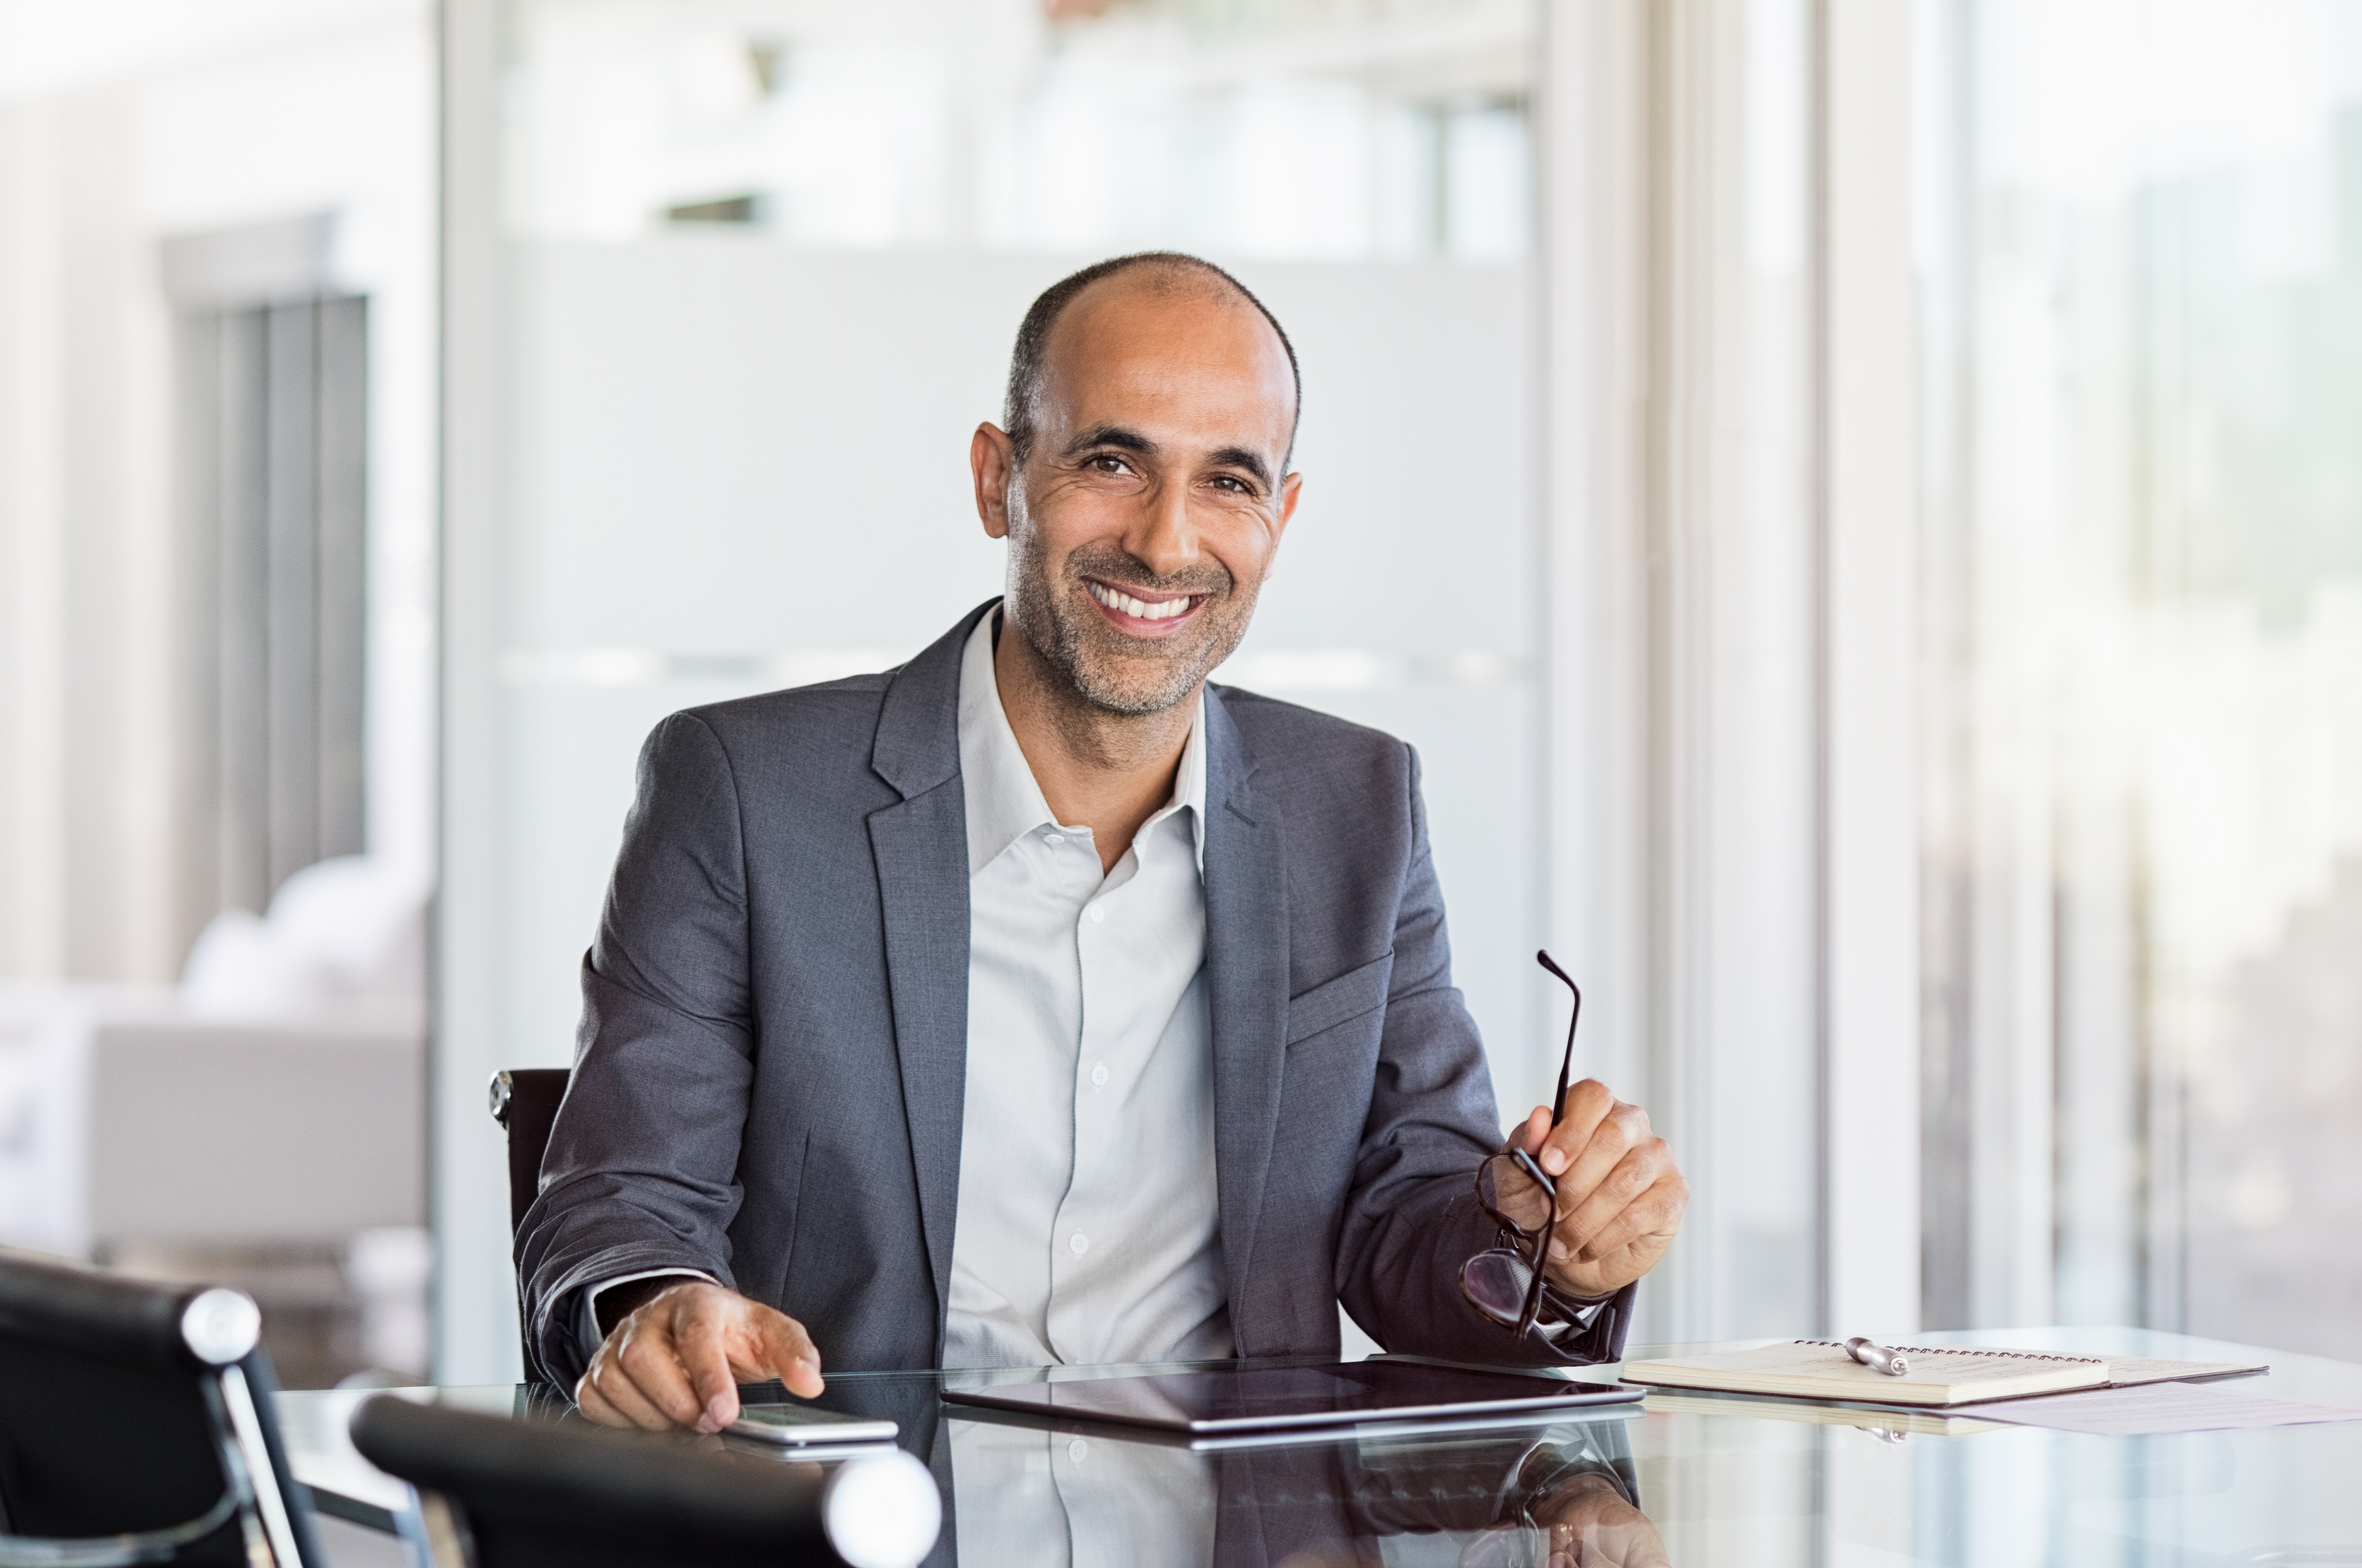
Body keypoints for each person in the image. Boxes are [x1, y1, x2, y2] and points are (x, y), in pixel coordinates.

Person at [519, 252, 1689, 1434]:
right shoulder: (744, 791)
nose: (1166, 542)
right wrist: (660, 1305)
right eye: (1111, 462)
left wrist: (1544, 1248)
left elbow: (1414, 1230)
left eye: (1227, 480)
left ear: (1279, 518)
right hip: (867, 1500)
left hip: (1236, 1509)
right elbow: (620, 1201)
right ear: (998, 480)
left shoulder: (1358, 805)